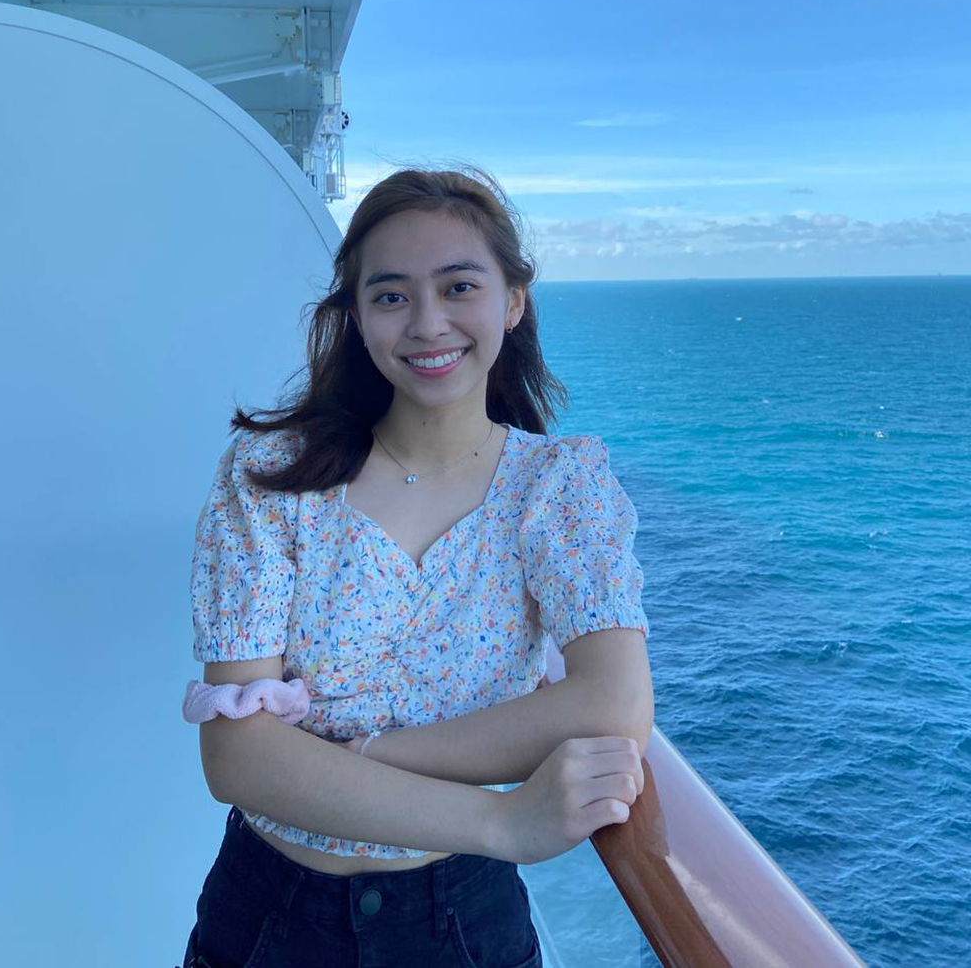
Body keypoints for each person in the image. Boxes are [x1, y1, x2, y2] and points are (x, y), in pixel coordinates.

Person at [181, 164, 653, 968]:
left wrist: (359, 754)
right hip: (269, 913)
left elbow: (613, 707)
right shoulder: (274, 475)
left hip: (461, 919)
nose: (429, 323)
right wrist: (502, 822)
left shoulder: (558, 487)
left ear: (513, 300)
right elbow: (236, 757)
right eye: (392, 295)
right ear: (358, 317)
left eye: (459, 286)